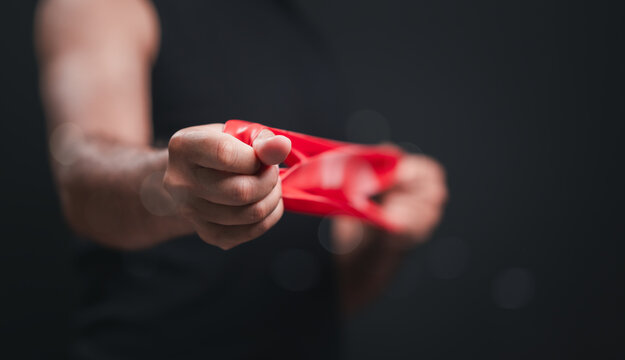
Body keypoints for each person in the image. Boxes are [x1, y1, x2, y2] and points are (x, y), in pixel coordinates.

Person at [34, 0, 448, 358]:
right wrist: (171, 190)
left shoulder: (294, 30)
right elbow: (81, 176)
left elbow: (321, 295)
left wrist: (383, 237)